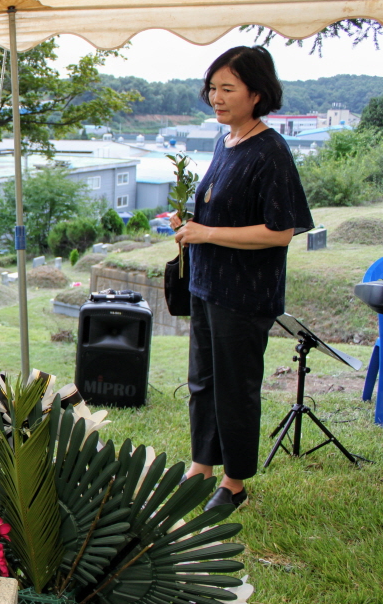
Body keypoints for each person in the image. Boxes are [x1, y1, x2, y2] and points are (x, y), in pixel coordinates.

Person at [172, 46, 312, 512]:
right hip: (206, 283)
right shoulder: (225, 141)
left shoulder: (271, 150)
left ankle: (234, 483)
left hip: (245, 293)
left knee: (235, 388)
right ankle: (201, 467)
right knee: (202, 382)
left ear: (257, 93)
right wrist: (190, 225)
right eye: (212, 88)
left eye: (228, 88)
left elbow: (281, 231)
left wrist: (207, 232)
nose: (216, 97)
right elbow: (223, 208)